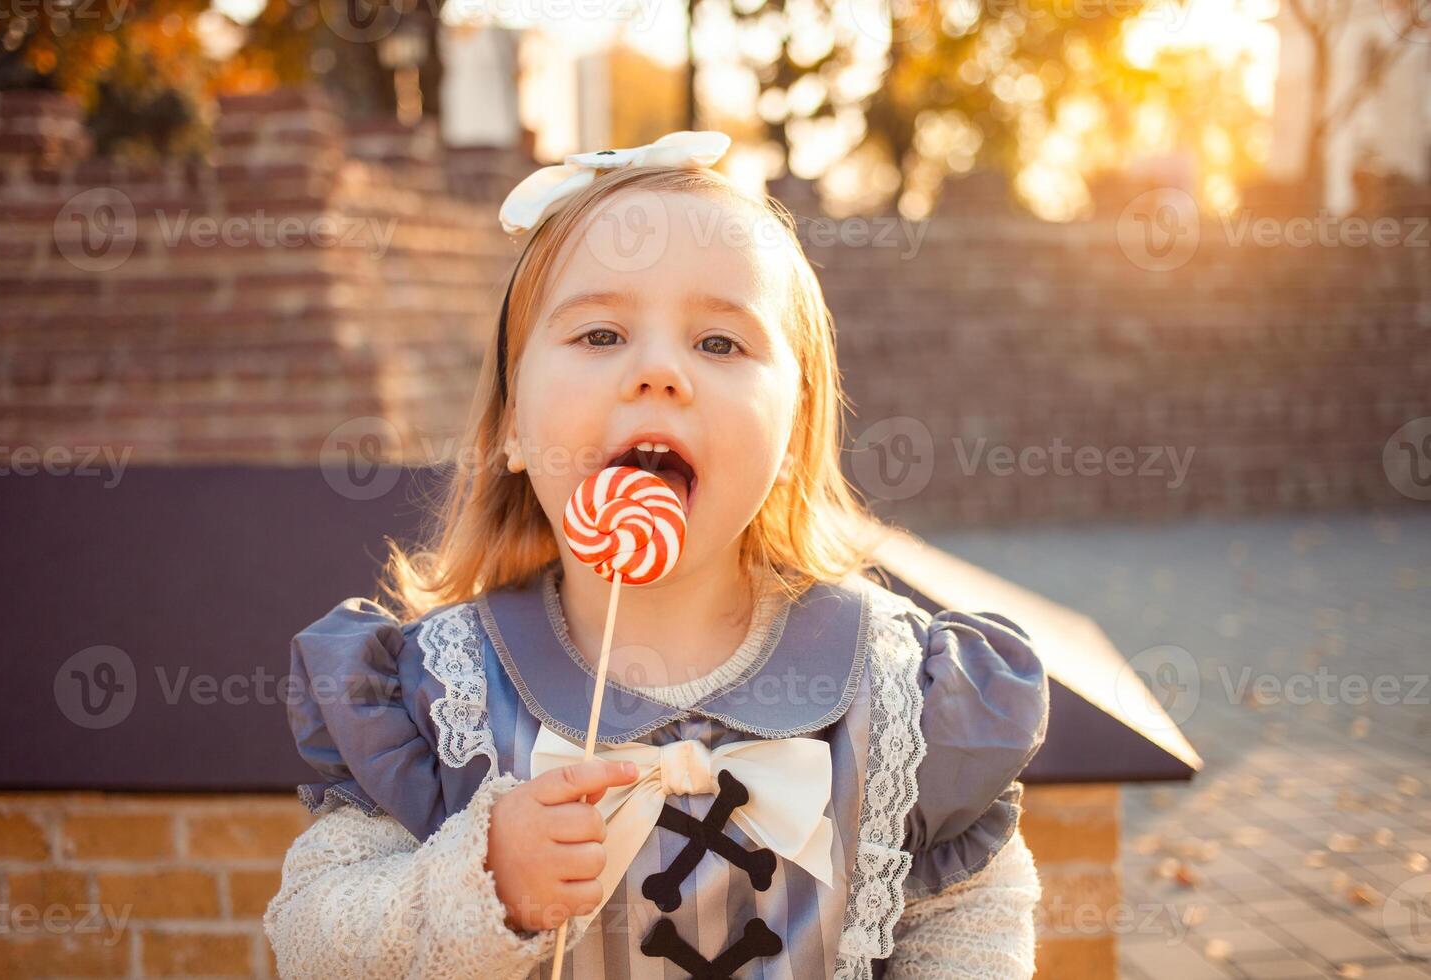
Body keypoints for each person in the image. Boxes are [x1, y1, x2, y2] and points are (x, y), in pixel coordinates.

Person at [264, 131, 1050, 979]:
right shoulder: (435, 692)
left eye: (719, 343)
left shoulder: (903, 688)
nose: (658, 373)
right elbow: (310, 934)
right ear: (513, 430)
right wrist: (483, 880)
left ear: (793, 434)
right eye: (600, 335)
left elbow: (972, 923)